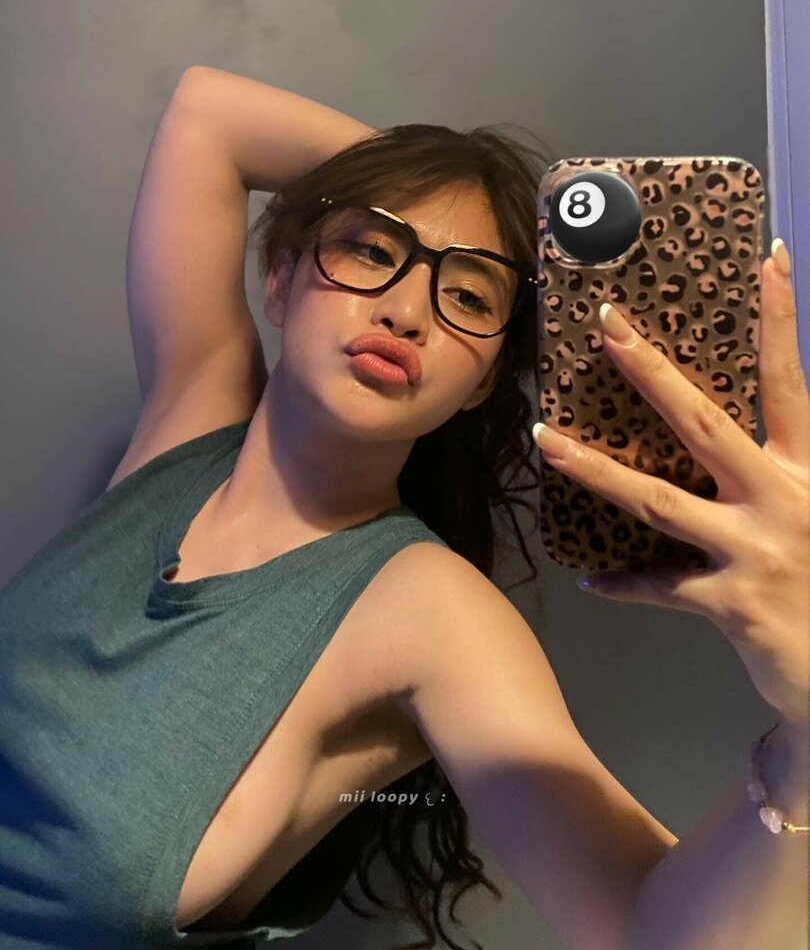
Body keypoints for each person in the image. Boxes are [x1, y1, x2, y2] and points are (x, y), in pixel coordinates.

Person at [1, 65, 807, 950]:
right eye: (373, 251)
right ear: (281, 281)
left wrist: (808, 735)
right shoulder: (187, 426)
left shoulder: (425, 613)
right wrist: (497, 207)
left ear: (484, 382)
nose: (407, 309)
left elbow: (652, 931)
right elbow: (207, 112)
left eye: (468, 295)